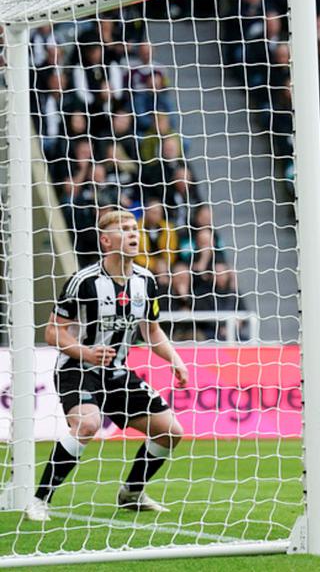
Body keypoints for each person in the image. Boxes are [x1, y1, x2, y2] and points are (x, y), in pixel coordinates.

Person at [24, 209, 190, 522]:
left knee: (170, 432)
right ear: (105, 239)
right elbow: (52, 332)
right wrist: (86, 353)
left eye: (134, 228)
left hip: (117, 373)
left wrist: (175, 361)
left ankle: (131, 492)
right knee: (87, 425)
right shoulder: (83, 282)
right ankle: (40, 500)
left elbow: (151, 331)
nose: (133, 234)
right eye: (124, 229)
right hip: (78, 370)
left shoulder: (146, 280)